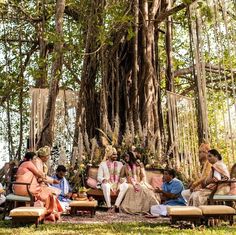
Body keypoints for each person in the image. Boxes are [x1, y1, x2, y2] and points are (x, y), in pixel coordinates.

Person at [13, 151, 63, 222]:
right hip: (25, 189)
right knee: (48, 193)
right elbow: (39, 174)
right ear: (30, 159)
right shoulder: (29, 163)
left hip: (18, 189)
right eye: (34, 159)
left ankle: (46, 213)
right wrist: (48, 179)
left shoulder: (23, 164)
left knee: (46, 192)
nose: (35, 160)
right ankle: (48, 214)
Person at [97, 145, 128, 212]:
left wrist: (123, 179)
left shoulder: (120, 164)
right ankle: (109, 207)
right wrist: (103, 180)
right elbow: (99, 177)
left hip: (117, 183)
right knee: (105, 186)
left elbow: (125, 175)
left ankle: (116, 206)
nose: (116, 156)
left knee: (125, 185)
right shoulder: (103, 164)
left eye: (116, 154)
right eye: (114, 154)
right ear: (109, 154)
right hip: (108, 183)